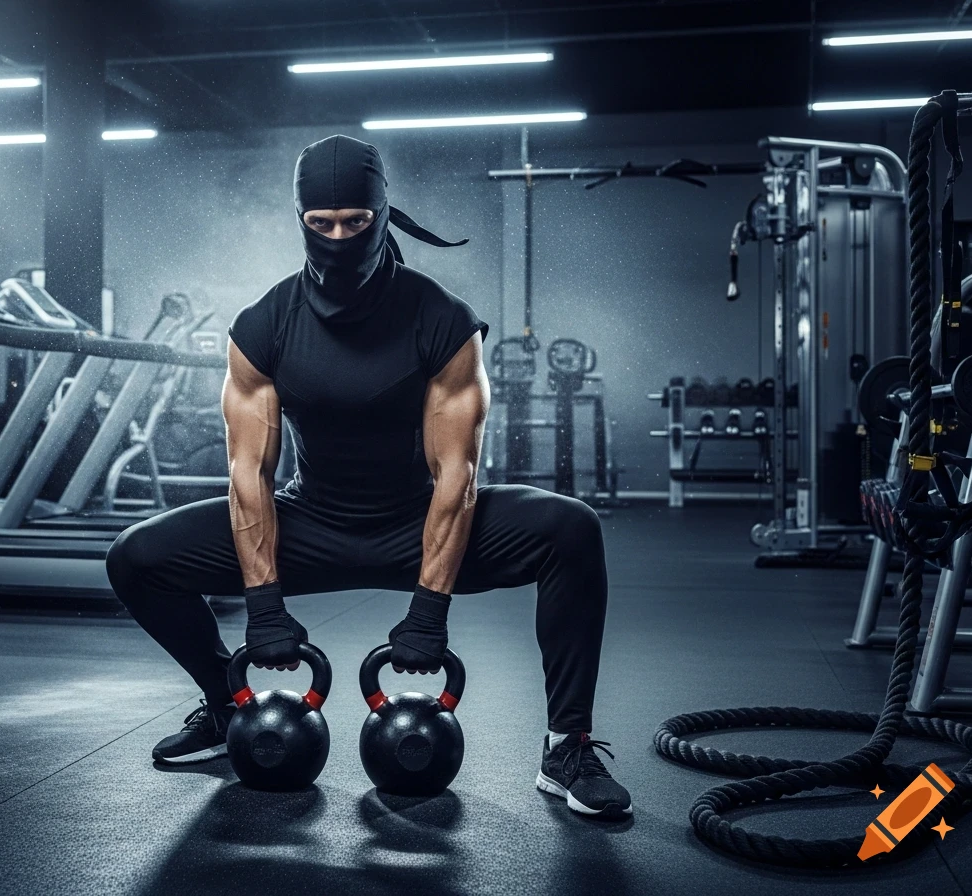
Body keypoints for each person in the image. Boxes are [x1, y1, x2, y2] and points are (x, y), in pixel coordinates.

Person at [106, 134, 630, 818]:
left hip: (421, 523)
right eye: (320, 224)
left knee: (570, 529)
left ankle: (568, 746)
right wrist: (263, 607)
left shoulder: (441, 319)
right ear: (299, 220)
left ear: (384, 215)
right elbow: (248, 473)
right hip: (308, 525)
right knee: (136, 557)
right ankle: (225, 705)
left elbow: (458, 473)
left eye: (356, 221)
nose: (338, 239)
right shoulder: (264, 325)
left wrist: (429, 613)